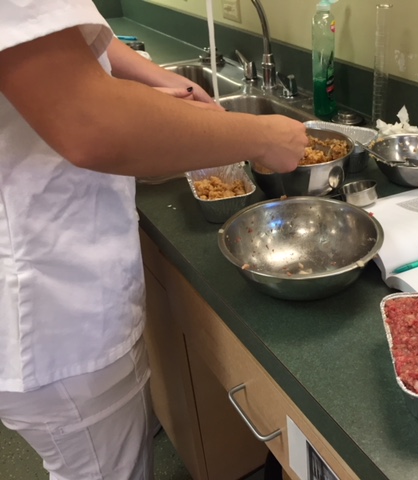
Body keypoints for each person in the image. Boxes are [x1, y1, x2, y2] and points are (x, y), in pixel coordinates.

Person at [0, 1, 308, 479]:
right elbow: (90, 121)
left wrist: (162, 80)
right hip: (50, 313)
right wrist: (262, 135)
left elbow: (58, 41)